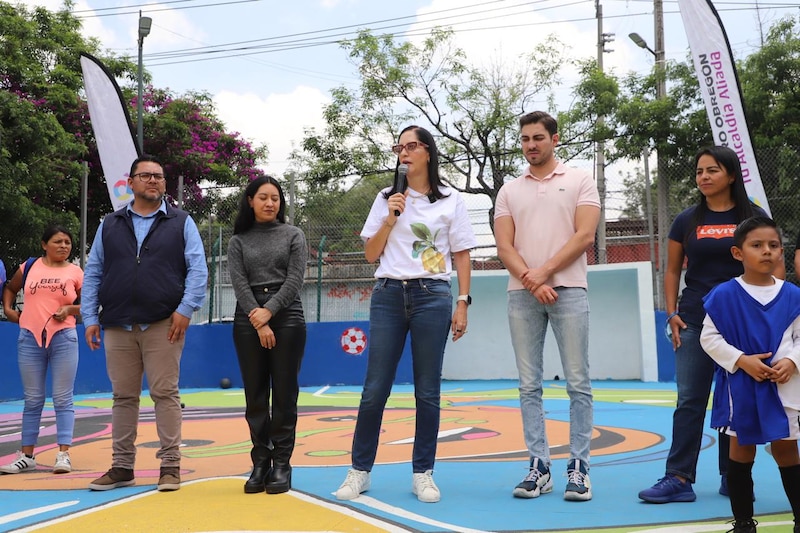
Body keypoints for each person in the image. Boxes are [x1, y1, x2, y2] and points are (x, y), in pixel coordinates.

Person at [334, 125, 476, 503]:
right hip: (388, 294)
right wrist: (390, 217)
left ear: (428, 151)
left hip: (433, 295)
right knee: (374, 388)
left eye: (412, 146)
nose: (404, 152)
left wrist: (463, 301)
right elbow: (370, 254)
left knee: (427, 390)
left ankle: (423, 473)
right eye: (400, 147)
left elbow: (461, 253)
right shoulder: (386, 198)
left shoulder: (451, 200)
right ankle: (359, 471)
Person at [638, 146, 780, 504]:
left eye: (712, 170)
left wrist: (772, 317)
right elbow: (672, 270)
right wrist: (672, 313)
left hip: (743, 325)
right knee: (689, 400)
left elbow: (772, 264)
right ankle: (678, 478)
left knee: (735, 402)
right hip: (696, 320)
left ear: (731, 175)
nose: (703, 177)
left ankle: (732, 477)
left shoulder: (754, 216)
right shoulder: (686, 220)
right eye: (699, 171)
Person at [81, 154, 208, 492]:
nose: (153, 180)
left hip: (164, 322)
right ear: (131, 182)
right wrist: (90, 316)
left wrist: (184, 310)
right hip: (117, 324)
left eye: (159, 176)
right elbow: (93, 272)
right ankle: (122, 467)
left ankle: (170, 466)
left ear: (164, 184)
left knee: (165, 393)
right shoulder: (110, 224)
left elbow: (198, 270)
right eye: (146, 175)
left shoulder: (182, 222)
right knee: (123, 396)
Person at [494, 110, 600, 502]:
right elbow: (505, 246)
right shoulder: (509, 190)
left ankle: (579, 467)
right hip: (521, 295)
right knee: (528, 385)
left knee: (578, 383)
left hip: (569, 290)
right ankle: (539, 467)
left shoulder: (579, 179)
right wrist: (530, 279)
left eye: (538, 138)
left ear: (555, 139)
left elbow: (584, 235)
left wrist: (544, 273)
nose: (531, 145)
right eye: (525, 139)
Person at [700, 216, 800, 533]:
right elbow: (709, 338)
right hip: (741, 388)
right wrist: (742, 360)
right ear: (738, 253)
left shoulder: (793, 296)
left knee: (787, 450)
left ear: (781, 252)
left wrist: (793, 362)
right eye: (757, 245)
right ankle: (744, 523)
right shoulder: (724, 296)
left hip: (784, 388)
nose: (766, 251)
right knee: (741, 452)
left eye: (773, 246)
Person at [228, 176, 307, 495]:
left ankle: (282, 464)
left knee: (285, 393)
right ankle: (260, 461)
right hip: (248, 317)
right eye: (263, 197)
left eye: (275, 198)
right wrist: (258, 321)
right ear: (250, 200)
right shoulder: (238, 240)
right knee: (256, 394)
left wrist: (269, 312)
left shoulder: (293, 235)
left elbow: (295, 279)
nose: (270, 203)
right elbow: (238, 282)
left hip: (286, 314)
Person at [0, 225, 83, 475]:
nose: (64, 246)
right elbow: (10, 288)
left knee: (62, 398)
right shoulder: (29, 267)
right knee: (33, 399)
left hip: (64, 338)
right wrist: (8, 309)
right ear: (43, 244)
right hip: (29, 338)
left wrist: (69, 310)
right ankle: (26, 456)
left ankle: (63, 455)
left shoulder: (76, 272)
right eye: (58, 241)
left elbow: (91, 303)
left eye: (67, 242)